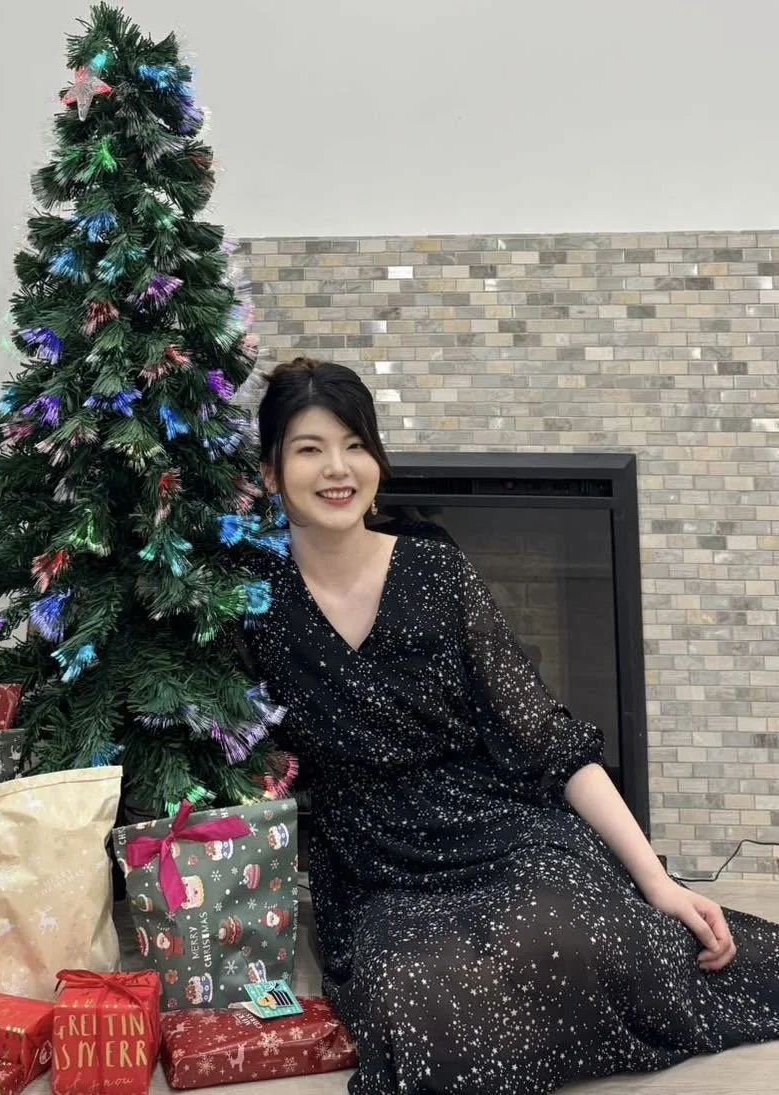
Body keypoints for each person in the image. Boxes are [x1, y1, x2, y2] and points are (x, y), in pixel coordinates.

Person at [241, 357, 779, 1095]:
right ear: (271, 473)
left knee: (581, 939)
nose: (338, 468)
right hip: (375, 865)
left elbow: (549, 739)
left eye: (355, 445)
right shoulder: (251, 598)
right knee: (420, 1010)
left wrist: (657, 881)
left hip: (496, 827)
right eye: (310, 449)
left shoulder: (435, 573)